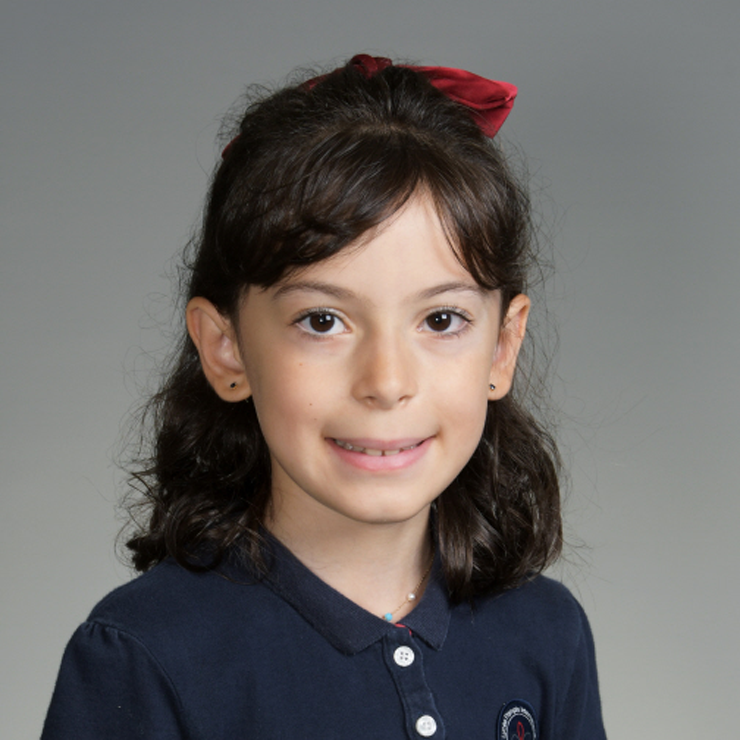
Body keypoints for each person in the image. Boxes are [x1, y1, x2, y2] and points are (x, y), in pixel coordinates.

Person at [42, 54, 606, 739]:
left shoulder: (547, 632)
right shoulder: (145, 655)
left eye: (440, 320)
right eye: (322, 321)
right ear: (226, 348)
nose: (387, 383)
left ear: (502, 347)